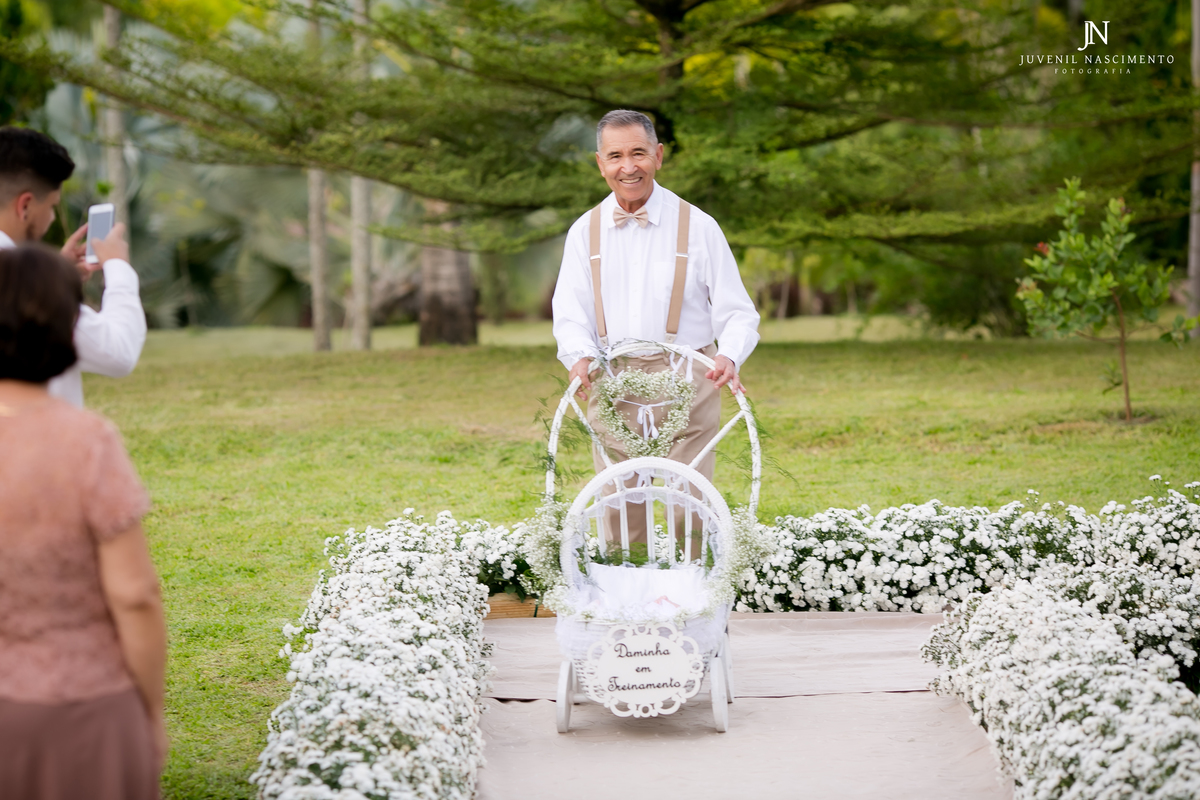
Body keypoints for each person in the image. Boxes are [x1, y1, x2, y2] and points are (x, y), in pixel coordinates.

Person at [0, 245, 166, 800]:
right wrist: (151, 711)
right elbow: (135, 594)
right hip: (83, 707)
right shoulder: (87, 442)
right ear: (66, 329)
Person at [552, 109, 760, 548]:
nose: (628, 167)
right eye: (615, 156)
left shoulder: (699, 226)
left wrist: (729, 354)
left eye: (639, 153)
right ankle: (624, 579)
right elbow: (570, 310)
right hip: (612, 377)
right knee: (617, 498)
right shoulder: (584, 232)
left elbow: (737, 310)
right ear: (600, 163)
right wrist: (579, 354)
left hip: (691, 374)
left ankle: (694, 580)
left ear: (659, 156)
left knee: (690, 496)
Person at [0, 126, 146, 408]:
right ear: (25, 206)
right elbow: (118, 352)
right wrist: (118, 268)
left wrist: (54, 275)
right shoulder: (28, 288)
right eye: (52, 206)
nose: (52, 218)